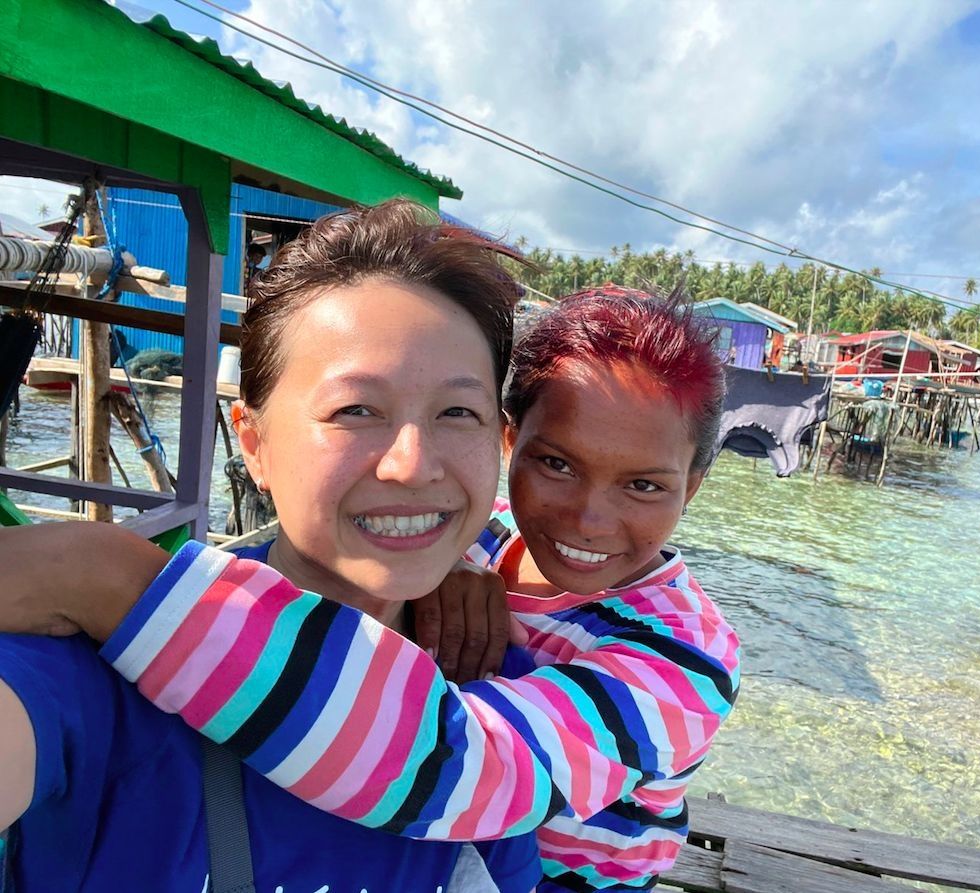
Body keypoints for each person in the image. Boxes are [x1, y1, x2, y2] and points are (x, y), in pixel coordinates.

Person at [0, 287, 740, 890]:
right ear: (511, 445)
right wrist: (443, 557)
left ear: (695, 486)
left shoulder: (682, 654)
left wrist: (111, 578)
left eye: (644, 485)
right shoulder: (491, 543)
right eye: (556, 464)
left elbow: (461, 765)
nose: (590, 515)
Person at [0, 199, 542, 892]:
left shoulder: (500, 693)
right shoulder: (104, 671)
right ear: (253, 442)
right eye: (355, 409)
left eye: (457, 412)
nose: (413, 464)